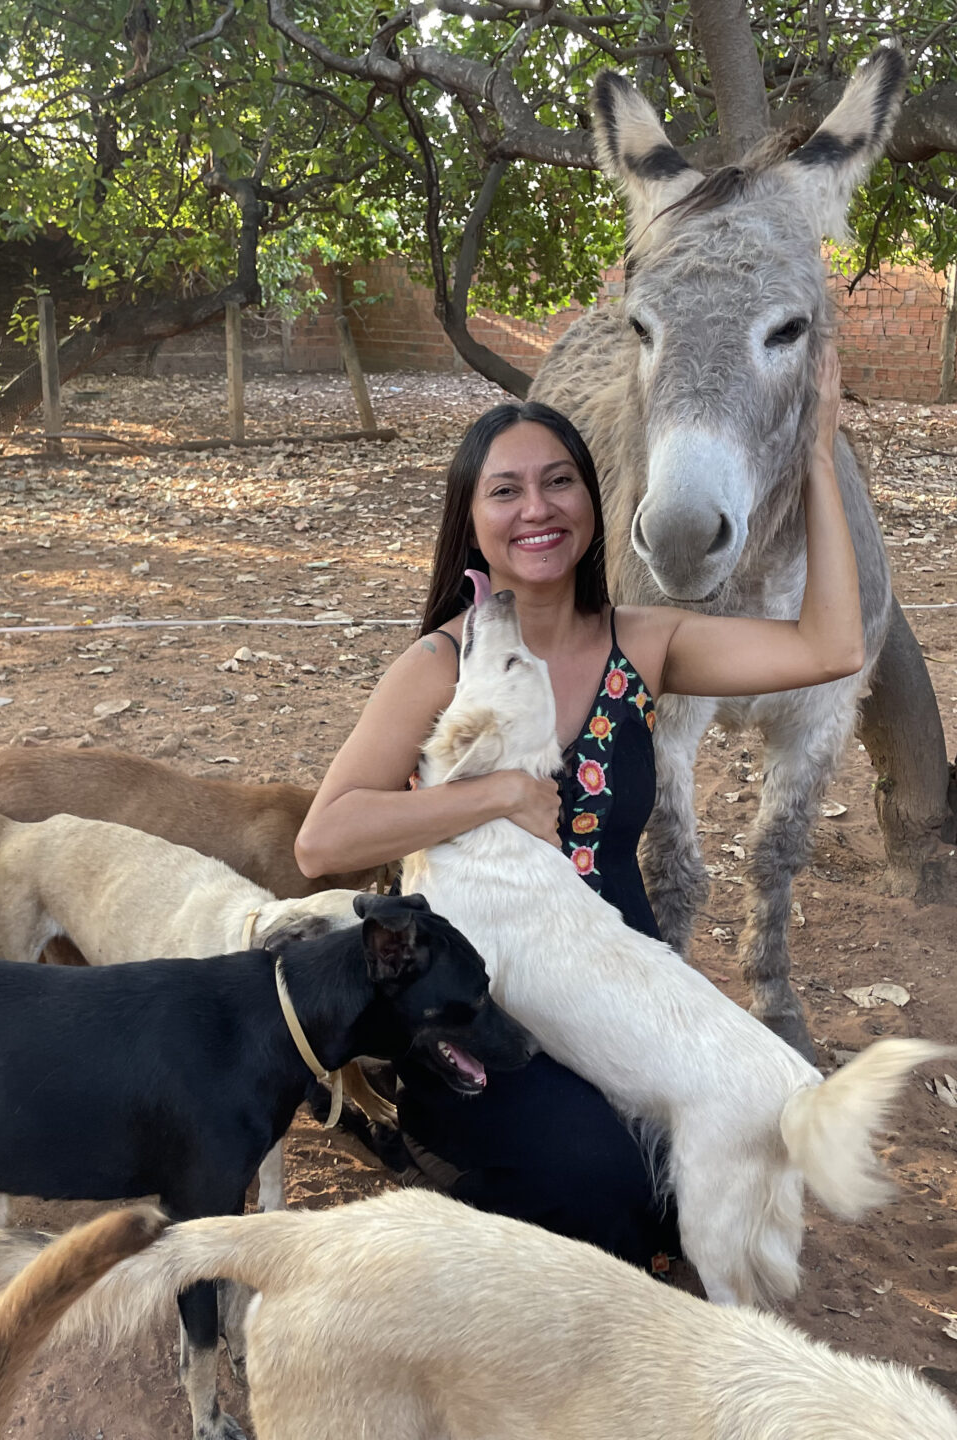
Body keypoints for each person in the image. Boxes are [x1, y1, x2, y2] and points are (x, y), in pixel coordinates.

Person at [294, 343, 863, 1269]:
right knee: (606, 1188)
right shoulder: (442, 664)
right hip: (483, 1002)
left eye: (559, 483)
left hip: (619, 985)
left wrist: (817, 454)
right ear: (471, 521)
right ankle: (442, 1157)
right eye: (505, 491)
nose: (536, 509)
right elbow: (326, 840)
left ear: (596, 506)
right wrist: (498, 792)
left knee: (716, 1168)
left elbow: (833, 645)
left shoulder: (646, 641)